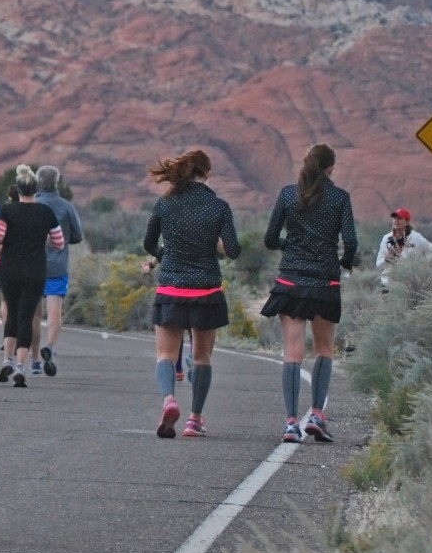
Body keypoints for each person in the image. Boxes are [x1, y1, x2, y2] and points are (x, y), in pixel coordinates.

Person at [263, 143, 358, 444]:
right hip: (324, 283)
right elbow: (351, 242)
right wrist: (342, 261)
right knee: (324, 350)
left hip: (290, 282)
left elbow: (269, 238)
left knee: (292, 354)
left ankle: (291, 423)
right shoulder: (340, 198)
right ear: (331, 168)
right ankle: (317, 415)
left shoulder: (288, 194)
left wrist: (289, 247)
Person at [141, 150, 240, 438]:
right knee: (201, 358)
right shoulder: (219, 206)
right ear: (207, 173)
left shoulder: (165, 203)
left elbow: (149, 242)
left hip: (171, 286)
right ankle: (195, 420)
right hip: (206, 289)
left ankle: (169, 400)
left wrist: (166, 253)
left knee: (165, 355)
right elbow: (233, 250)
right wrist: (216, 246)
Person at [0, 168, 63, 387]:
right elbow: (59, 242)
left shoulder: (7, 211)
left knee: (11, 314)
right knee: (27, 316)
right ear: (35, 189)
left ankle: (7, 360)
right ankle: (21, 366)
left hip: (9, 269)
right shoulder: (46, 212)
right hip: (35, 270)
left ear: (18, 189)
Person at [33, 165, 84, 378]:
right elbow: (77, 236)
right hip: (58, 266)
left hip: (33, 265)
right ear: (56, 183)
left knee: (34, 314)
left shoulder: (32, 205)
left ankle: (34, 360)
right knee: (55, 310)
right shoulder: (66, 206)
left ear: (38, 182)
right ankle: (50, 348)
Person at [374, 208, 432, 290]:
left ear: (407, 221)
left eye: (400, 218)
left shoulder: (416, 238)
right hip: (388, 285)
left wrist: (419, 264)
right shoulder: (386, 238)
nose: (396, 221)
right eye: (395, 218)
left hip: (408, 285)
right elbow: (378, 265)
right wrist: (387, 260)